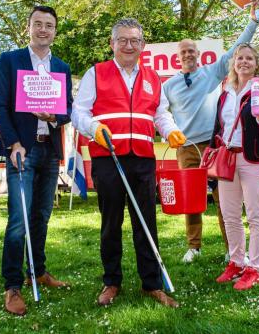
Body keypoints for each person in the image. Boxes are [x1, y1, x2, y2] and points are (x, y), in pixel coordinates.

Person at [72, 18, 186, 308]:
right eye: (122, 40)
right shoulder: (95, 73)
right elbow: (79, 112)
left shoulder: (152, 77)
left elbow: (160, 113)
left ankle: (152, 284)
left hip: (143, 159)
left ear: (143, 45)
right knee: (111, 222)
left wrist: (169, 129)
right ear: (112, 43)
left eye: (134, 40)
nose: (128, 45)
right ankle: (112, 281)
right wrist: (93, 128)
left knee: (145, 222)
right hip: (107, 157)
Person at [162, 2, 259, 263]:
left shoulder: (212, 72)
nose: (187, 55)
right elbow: (160, 112)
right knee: (191, 200)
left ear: (198, 53)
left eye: (191, 51)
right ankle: (194, 247)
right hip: (186, 148)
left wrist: (253, 22)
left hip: (214, 146)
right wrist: (170, 131)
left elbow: (236, 50)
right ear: (178, 57)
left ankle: (232, 247)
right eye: (183, 52)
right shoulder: (169, 85)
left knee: (224, 198)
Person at [0, 5, 73, 315]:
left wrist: (54, 116)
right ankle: (12, 286)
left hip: (49, 150)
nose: (43, 29)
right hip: (22, 150)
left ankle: (37, 272)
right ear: (28, 27)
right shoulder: (10, 60)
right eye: (38, 24)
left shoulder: (62, 67)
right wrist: (13, 143)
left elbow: (66, 109)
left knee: (41, 215)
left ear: (55, 31)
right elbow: (1, 106)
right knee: (18, 220)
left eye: (49, 25)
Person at [211, 43, 259, 291]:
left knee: (255, 216)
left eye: (249, 59)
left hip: (254, 161)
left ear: (257, 64)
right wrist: (213, 151)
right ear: (234, 63)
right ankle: (236, 262)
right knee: (230, 215)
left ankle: (254, 268)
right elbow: (218, 128)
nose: (243, 62)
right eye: (239, 58)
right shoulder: (225, 94)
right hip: (228, 159)